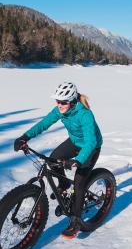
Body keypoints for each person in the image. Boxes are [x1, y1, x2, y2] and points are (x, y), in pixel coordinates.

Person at [14, 82, 102, 239]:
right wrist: (25, 137)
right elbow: (44, 124)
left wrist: (78, 160)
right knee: (53, 160)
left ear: (72, 100)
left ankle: (76, 220)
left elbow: (90, 141)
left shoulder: (85, 114)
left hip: (91, 147)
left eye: (63, 102)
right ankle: (65, 187)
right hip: (75, 142)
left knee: (80, 181)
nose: (59, 105)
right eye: (57, 101)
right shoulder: (60, 111)